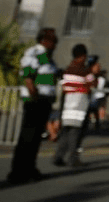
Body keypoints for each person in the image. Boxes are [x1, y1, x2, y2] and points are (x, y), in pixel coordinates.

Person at [7, 27, 59, 184]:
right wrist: (34, 95)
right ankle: (18, 172)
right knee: (28, 137)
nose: (55, 44)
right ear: (44, 40)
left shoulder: (47, 56)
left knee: (36, 137)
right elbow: (28, 75)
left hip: (44, 100)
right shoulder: (35, 52)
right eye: (53, 40)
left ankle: (30, 168)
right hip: (35, 100)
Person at [53, 44, 96, 167]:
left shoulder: (67, 69)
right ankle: (72, 158)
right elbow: (92, 83)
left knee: (66, 131)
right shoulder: (84, 70)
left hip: (67, 104)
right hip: (80, 104)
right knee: (76, 132)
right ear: (82, 56)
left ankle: (58, 156)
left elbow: (65, 87)